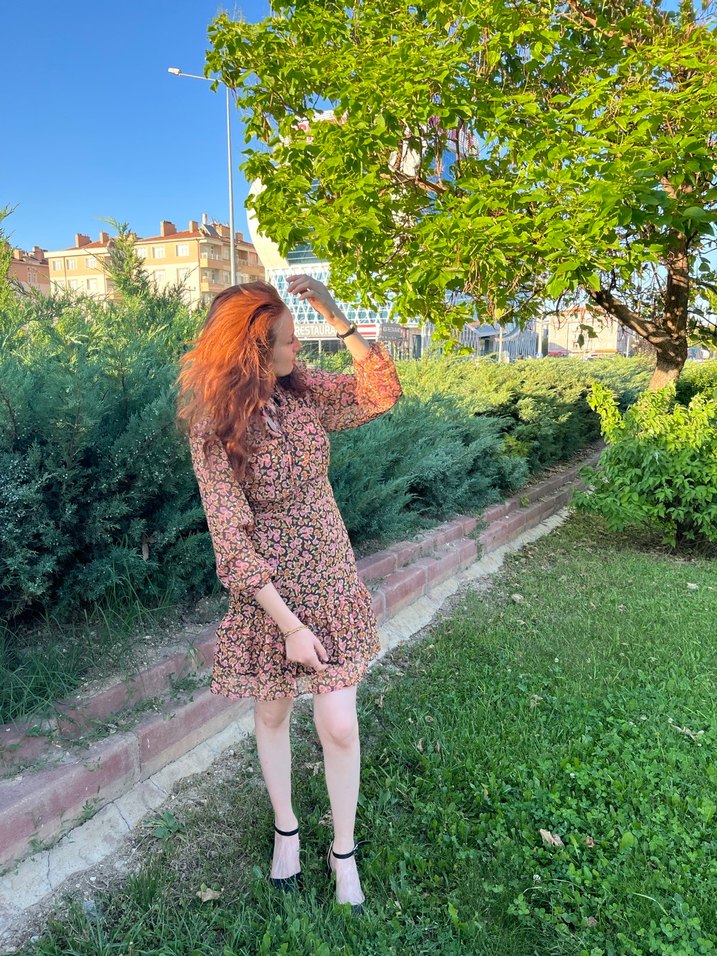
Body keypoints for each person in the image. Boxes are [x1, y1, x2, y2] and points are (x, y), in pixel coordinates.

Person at [177, 275, 402, 913]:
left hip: (329, 572)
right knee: (273, 713)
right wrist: (288, 626)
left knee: (339, 724)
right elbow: (231, 537)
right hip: (269, 594)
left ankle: (343, 851)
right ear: (252, 351)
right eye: (286, 339)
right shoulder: (214, 426)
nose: (297, 347)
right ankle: (287, 830)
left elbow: (380, 391)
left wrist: (334, 312)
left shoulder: (302, 391)